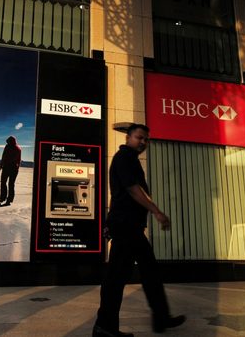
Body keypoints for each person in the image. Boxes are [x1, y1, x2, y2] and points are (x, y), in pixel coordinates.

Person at [93, 124, 186, 337]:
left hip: (130, 226)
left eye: (146, 139)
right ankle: (104, 327)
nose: (143, 142)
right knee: (117, 277)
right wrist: (157, 212)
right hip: (124, 226)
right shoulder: (124, 158)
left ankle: (160, 318)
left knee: (148, 271)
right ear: (128, 138)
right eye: (139, 138)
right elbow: (133, 190)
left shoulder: (130, 159)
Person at [0, 135, 21, 206]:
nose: (7, 143)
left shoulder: (15, 148)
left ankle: (5, 199)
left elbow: (4, 156)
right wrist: (1, 165)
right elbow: (4, 156)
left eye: (8, 142)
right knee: (9, 184)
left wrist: (2, 165)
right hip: (13, 168)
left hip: (9, 167)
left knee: (6, 183)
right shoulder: (17, 148)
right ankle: (7, 199)